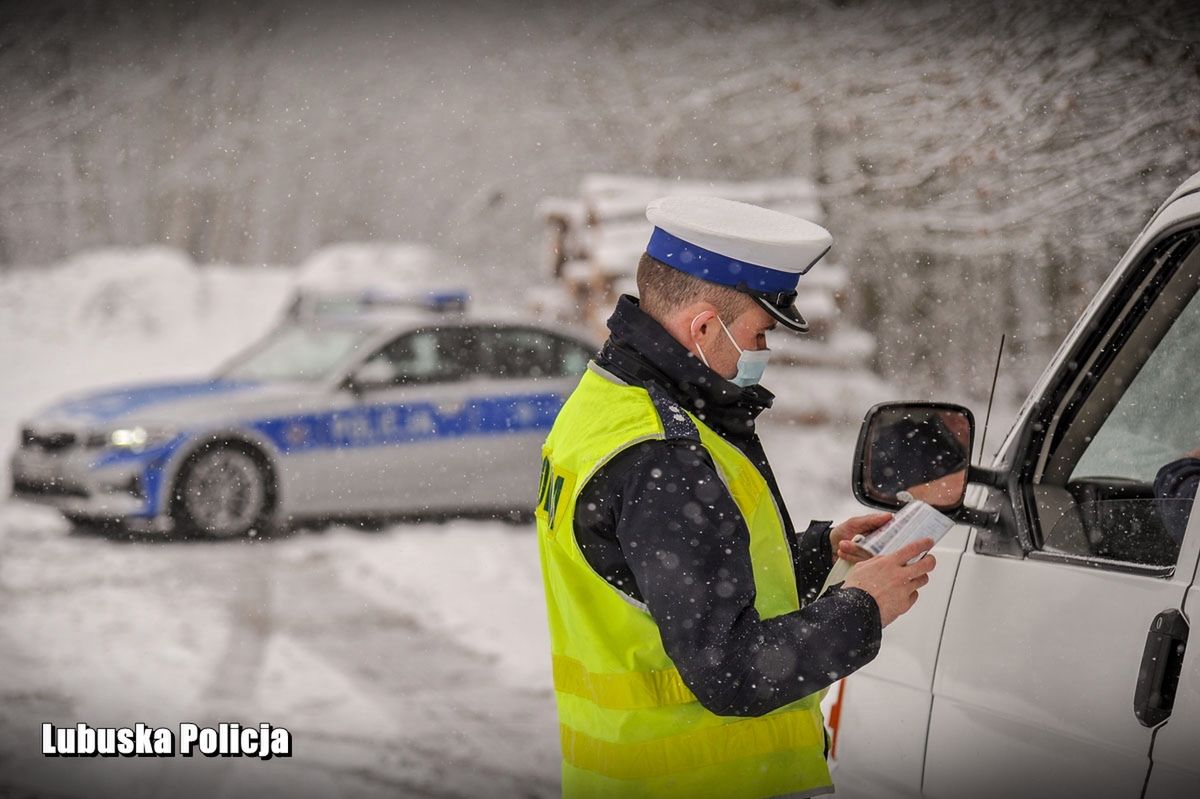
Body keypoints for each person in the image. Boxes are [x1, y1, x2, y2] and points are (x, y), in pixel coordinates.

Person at [535, 196, 937, 799]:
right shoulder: (665, 456)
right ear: (702, 327)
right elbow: (732, 672)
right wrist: (862, 607)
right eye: (760, 333)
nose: (764, 354)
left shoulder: (608, 403)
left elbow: (660, 586)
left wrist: (818, 556)